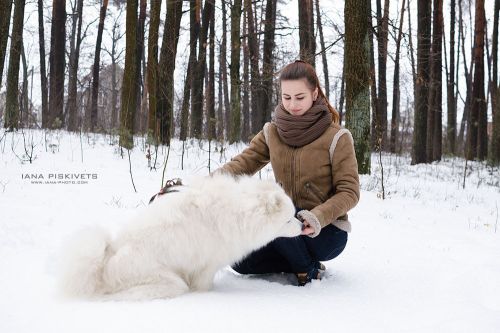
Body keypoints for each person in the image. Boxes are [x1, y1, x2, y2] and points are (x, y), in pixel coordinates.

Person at [216, 60, 360, 286]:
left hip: (325, 232)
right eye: (287, 97)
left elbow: (349, 192)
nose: (292, 104)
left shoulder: (337, 137)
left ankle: (306, 268)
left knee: (283, 215)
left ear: (314, 94)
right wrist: (201, 186)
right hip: (283, 226)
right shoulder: (272, 132)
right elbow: (242, 164)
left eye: (300, 97)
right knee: (240, 262)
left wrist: (317, 216)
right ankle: (296, 259)